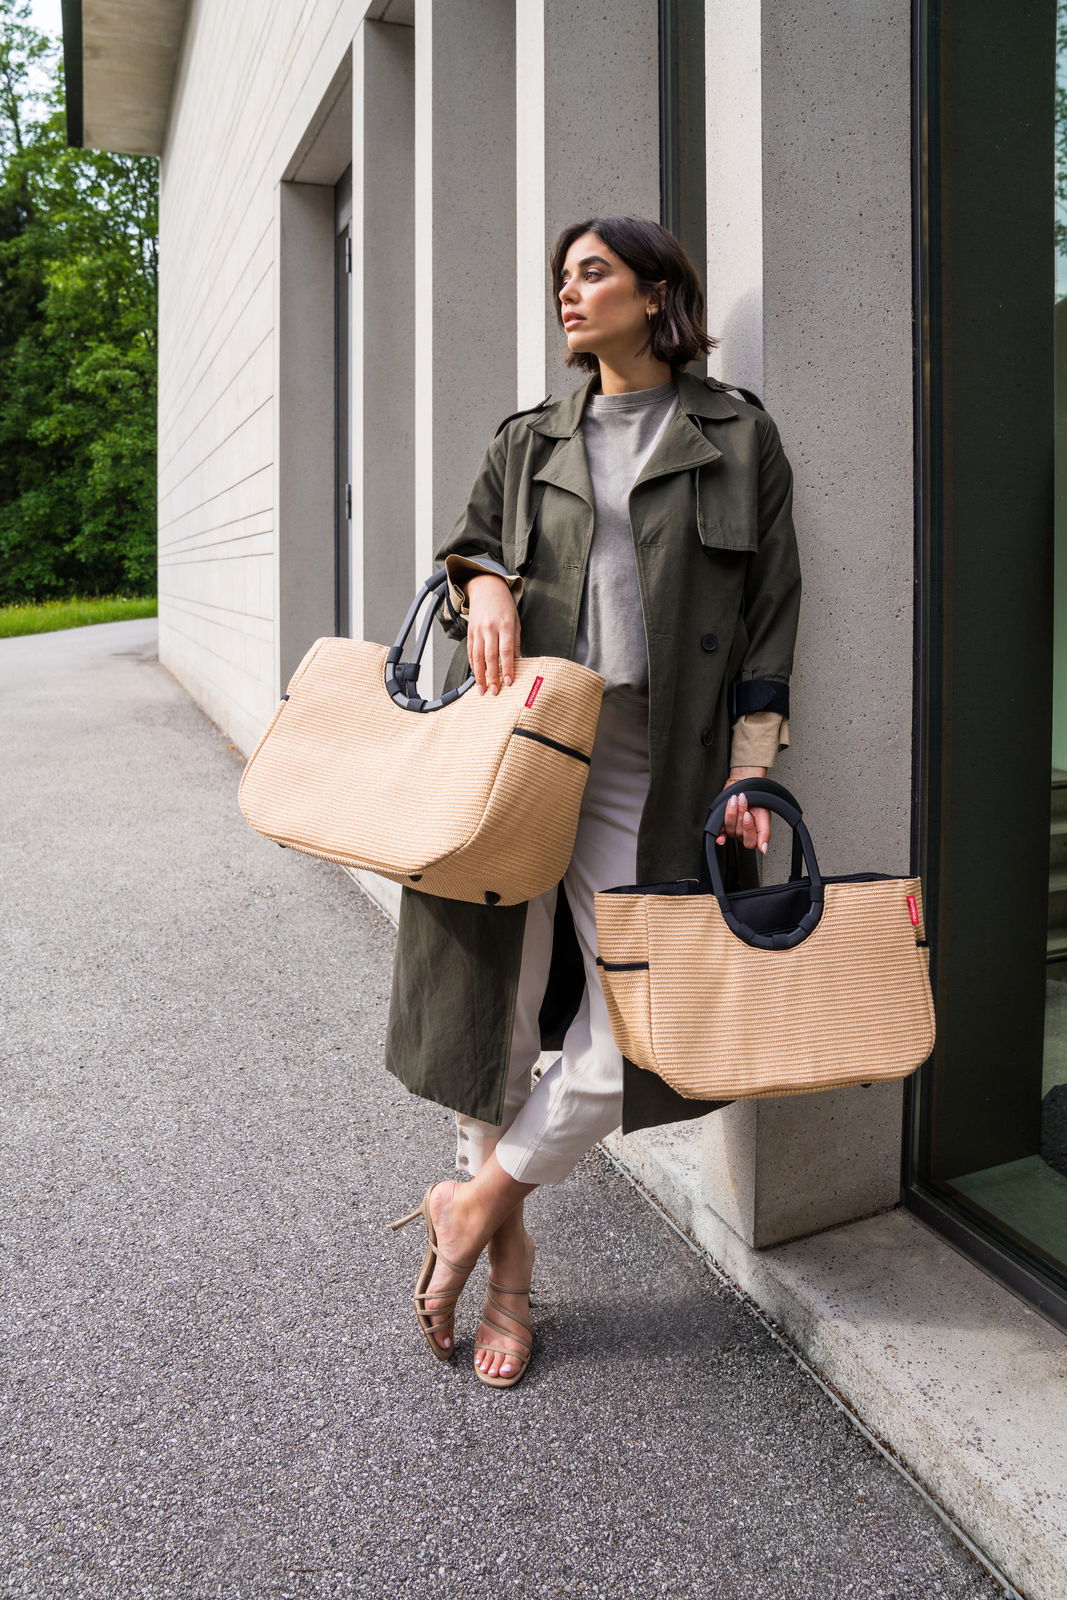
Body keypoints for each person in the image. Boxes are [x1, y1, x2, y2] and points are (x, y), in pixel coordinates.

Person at [387, 215, 802, 1388]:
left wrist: (749, 762)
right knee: (493, 1009)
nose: (567, 293)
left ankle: (467, 1207)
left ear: (655, 290)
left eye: (592, 272)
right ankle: (509, 1285)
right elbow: (466, 547)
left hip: (652, 753)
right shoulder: (531, 436)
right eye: (561, 277)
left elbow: (772, 607)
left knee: (634, 1026)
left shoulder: (734, 433)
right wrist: (480, 587)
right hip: (522, 734)